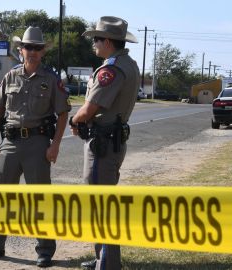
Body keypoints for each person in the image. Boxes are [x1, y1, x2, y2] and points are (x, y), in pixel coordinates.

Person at [0, 26, 70, 268]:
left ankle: (45, 250)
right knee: (2, 197)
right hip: (11, 143)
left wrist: (55, 145)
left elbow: (63, 114)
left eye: (37, 48)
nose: (33, 52)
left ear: (43, 52)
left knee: (40, 200)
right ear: (20, 50)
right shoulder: (10, 77)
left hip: (38, 144)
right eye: (29, 47)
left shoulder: (51, 80)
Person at [69, 16, 140, 270]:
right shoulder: (128, 63)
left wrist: (74, 120)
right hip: (112, 140)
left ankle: (107, 264)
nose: (94, 44)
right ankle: (103, 258)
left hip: (103, 143)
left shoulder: (111, 69)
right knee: (101, 203)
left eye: (96, 39)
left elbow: (90, 109)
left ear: (108, 41)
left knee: (101, 205)